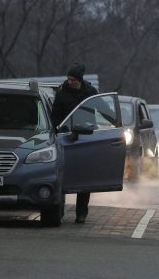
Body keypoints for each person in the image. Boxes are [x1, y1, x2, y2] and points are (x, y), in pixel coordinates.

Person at [52, 63, 98, 224]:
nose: (69, 82)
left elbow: (102, 108)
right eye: (68, 79)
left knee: (84, 179)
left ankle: (81, 213)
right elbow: (55, 117)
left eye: (72, 79)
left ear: (79, 80)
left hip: (86, 138)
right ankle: (59, 210)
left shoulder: (91, 93)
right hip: (66, 138)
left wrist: (114, 123)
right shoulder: (62, 93)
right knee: (62, 177)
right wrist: (58, 132)